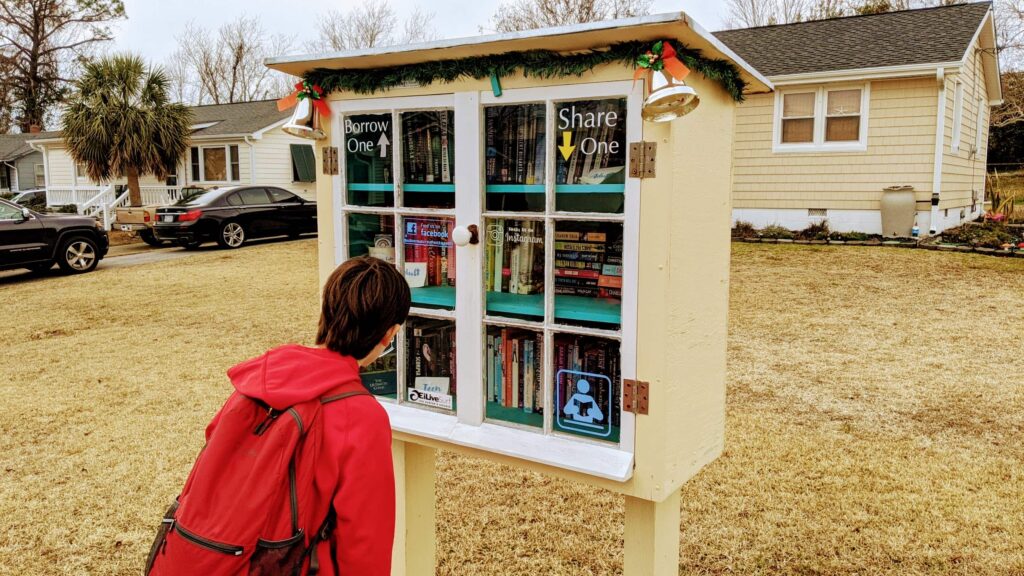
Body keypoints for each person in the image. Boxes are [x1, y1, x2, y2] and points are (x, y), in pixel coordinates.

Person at [148, 256, 410, 576]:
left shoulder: (260, 379)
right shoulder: (362, 416)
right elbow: (365, 540)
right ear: (389, 334)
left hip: (202, 553)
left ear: (327, 310)